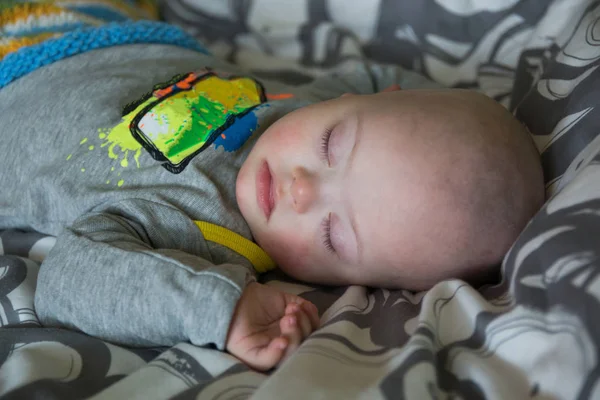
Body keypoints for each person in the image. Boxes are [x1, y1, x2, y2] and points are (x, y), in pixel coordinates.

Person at [0, 6, 543, 371]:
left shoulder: (200, 230)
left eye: (333, 235)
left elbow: (71, 279)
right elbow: (380, 83)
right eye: (331, 147)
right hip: (105, 24)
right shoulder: (319, 100)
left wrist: (220, 308)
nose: (301, 189)